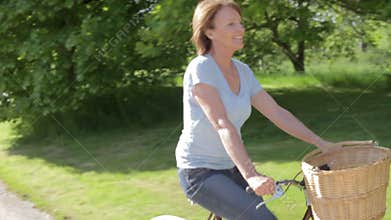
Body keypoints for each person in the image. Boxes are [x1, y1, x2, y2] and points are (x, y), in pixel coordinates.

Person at [175, 0, 343, 219]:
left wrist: (320, 143)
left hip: (231, 167)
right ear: (209, 32)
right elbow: (222, 125)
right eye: (231, 24)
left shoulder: (243, 71)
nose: (240, 29)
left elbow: (277, 112)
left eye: (240, 23)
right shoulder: (202, 68)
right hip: (199, 171)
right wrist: (252, 175)